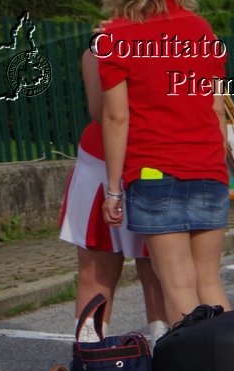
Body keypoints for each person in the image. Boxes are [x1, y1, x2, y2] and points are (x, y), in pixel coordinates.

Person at [97, 0, 231, 327]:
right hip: (208, 166)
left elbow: (116, 117)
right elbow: (217, 108)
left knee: (178, 286)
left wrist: (114, 189)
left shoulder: (115, 36)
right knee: (209, 282)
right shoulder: (201, 29)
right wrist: (218, 161)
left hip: (153, 168)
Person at [62, 43, 167, 343]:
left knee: (106, 273)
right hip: (140, 158)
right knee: (157, 273)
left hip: (129, 159)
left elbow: (103, 111)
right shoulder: (180, 38)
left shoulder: (104, 45)